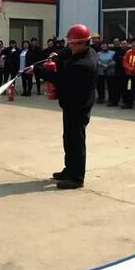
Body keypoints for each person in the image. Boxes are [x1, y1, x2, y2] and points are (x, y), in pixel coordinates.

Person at [26, 24, 97, 189]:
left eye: (73, 43)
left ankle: (76, 178)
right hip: (71, 105)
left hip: (79, 107)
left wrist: (36, 70)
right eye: (69, 43)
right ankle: (69, 170)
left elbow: (58, 77)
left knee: (76, 142)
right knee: (68, 139)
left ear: (82, 43)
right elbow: (66, 52)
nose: (70, 46)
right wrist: (57, 53)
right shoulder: (86, 51)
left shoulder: (82, 64)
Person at [109, 38, 125, 107]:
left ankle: (123, 101)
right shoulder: (114, 51)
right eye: (114, 41)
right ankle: (113, 101)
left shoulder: (125, 51)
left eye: (117, 41)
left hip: (124, 72)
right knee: (114, 88)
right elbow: (113, 60)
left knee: (123, 88)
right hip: (115, 72)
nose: (116, 42)